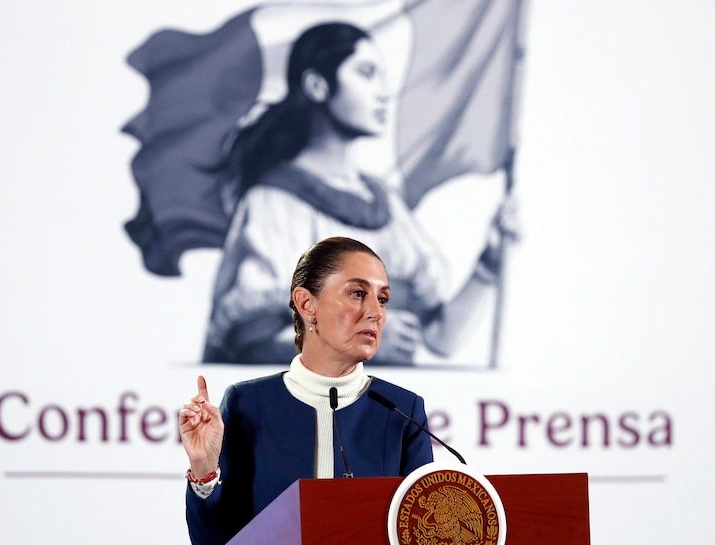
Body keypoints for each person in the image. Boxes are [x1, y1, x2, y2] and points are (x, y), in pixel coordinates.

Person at [203, 22, 516, 365]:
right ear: (317, 85)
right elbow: (252, 344)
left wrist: (490, 264)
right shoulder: (273, 202)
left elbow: (440, 339)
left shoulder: (386, 204)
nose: (383, 93)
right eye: (366, 73)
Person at [180, 237, 435, 545]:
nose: (376, 312)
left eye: (382, 299)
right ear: (306, 303)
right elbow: (215, 540)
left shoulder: (403, 411)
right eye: (358, 293)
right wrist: (204, 471)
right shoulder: (248, 404)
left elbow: (422, 531)